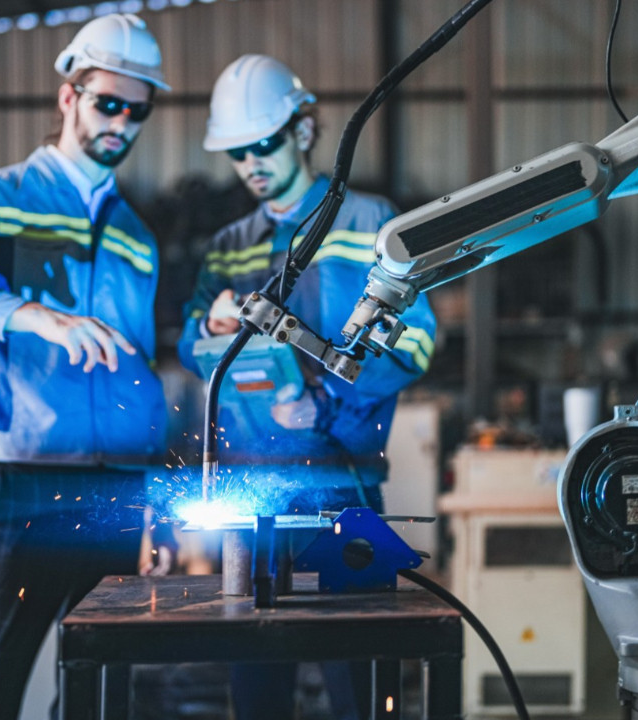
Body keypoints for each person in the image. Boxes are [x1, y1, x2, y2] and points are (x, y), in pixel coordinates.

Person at [0, 13, 173, 719]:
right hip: (27, 487)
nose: (121, 122)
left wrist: (161, 505)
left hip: (118, 492)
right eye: (107, 103)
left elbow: (137, 376)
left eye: (137, 110)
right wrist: (32, 314)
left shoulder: (137, 237)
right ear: (68, 96)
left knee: (97, 690)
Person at [178, 54, 437, 720]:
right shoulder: (229, 244)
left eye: (262, 144)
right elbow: (190, 344)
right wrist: (208, 321)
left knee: (362, 686)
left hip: (345, 486)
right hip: (250, 497)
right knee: (257, 691)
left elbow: (417, 341)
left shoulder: (372, 225)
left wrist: (326, 403)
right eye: (236, 152)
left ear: (302, 128)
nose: (251, 163)